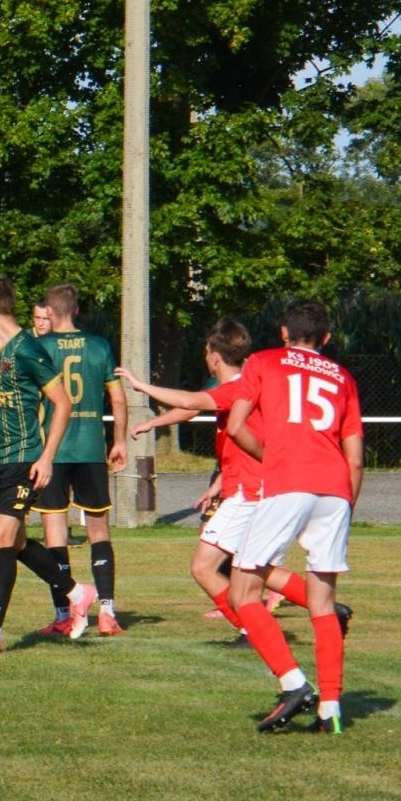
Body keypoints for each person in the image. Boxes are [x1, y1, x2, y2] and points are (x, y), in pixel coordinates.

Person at [120, 302, 363, 733]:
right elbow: (356, 458)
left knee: (243, 590)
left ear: (284, 331)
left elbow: (233, 426)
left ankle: (292, 684)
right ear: (325, 339)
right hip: (336, 488)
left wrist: (272, 461)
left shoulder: (264, 362)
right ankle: (331, 713)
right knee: (322, 603)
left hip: (283, 484)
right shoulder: (343, 377)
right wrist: (347, 504)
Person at [123, 318, 324, 646]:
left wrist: (141, 386)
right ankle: (328, 609)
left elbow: (190, 401)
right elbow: (194, 408)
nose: (205, 357)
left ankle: (252, 629)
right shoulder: (241, 386)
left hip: (248, 491)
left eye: (206, 351)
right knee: (263, 568)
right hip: (253, 486)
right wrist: (156, 422)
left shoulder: (237, 388)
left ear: (215, 356)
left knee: (204, 567)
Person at [0, 271, 96, 654]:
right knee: (15, 543)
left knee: (1, 539)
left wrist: (47, 458)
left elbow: (63, 402)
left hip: (24, 458)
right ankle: (76, 591)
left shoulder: (29, 349)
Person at [29, 285, 128, 637]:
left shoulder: (39, 347)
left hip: (51, 453)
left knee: (54, 530)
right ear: (77, 310)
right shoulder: (100, 346)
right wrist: (118, 441)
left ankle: (64, 613)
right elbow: (116, 398)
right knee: (99, 529)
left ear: (50, 314)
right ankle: (107, 612)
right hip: (90, 449)